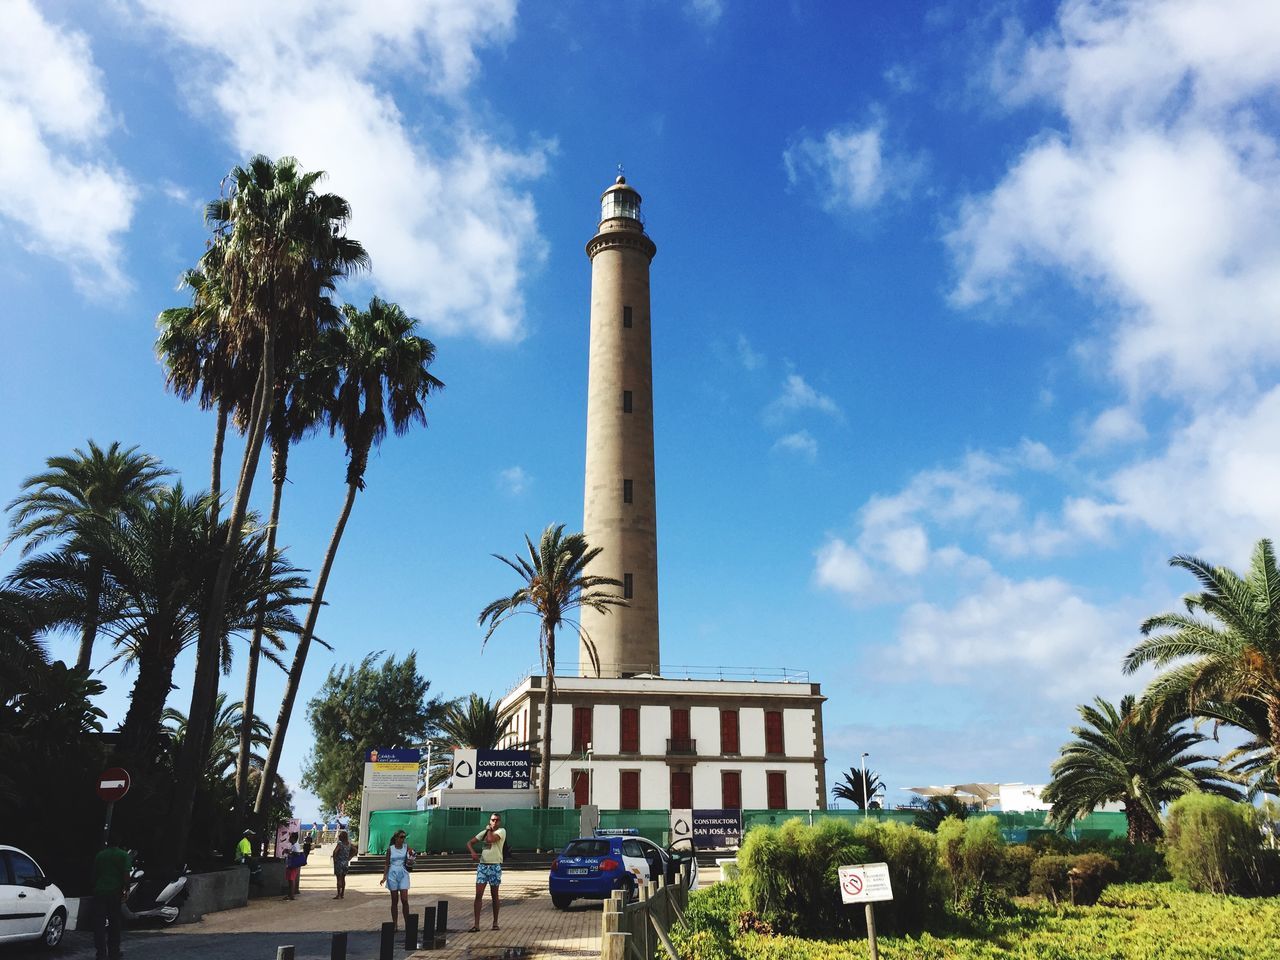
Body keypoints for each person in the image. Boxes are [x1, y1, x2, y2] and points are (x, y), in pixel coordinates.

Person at [90, 842, 131, 960]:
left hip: (99, 892)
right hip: (114, 893)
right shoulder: (123, 855)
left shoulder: (100, 855)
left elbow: (95, 874)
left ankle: (101, 953)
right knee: (114, 923)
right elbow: (126, 874)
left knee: (99, 924)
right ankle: (114, 951)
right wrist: (126, 889)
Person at [467, 813, 505, 932]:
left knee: (495, 895)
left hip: (495, 866)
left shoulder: (501, 831)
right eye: (493, 820)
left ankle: (495, 922)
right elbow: (469, 843)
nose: (494, 822)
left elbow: (490, 839)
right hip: (483, 866)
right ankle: (476, 924)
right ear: (490, 821)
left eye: (497, 820)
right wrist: (473, 852)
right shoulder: (484, 832)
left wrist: (488, 830)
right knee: (479, 894)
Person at [380, 830, 412, 927]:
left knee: (404, 899)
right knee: (394, 900)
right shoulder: (390, 849)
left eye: (404, 837)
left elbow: (412, 856)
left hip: (402, 872)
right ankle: (395, 924)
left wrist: (411, 858)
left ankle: (407, 923)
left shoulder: (406, 847)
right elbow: (386, 864)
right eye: (401, 837)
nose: (403, 839)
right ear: (396, 838)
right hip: (392, 873)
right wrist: (384, 877)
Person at [330, 829, 353, 899]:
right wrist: (349, 857)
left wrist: (334, 859)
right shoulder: (349, 844)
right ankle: (342, 893)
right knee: (343, 878)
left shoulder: (340, 844)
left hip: (339, 862)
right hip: (345, 863)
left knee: (338, 879)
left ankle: (338, 894)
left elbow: (335, 852)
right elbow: (355, 850)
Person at [283, 831, 303, 900]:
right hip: (291, 864)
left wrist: (289, 852)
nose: (289, 838)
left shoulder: (295, 845)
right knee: (290, 879)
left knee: (291, 880)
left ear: (293, 838)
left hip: (293, 864)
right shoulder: (293, 845)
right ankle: (290, 894)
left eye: (290, 837)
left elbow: (297, 854)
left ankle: (291, 895)